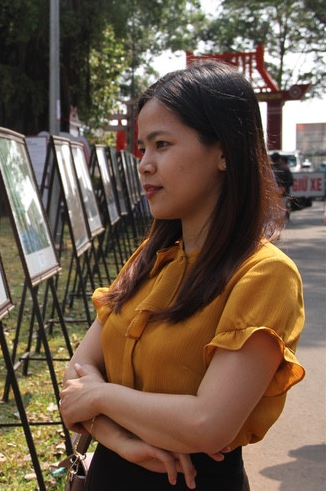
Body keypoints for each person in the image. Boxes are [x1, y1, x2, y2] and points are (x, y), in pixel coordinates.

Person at [59, 62, 305, 490]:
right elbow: (75, 377)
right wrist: (119, 440)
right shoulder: (152, 257)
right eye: (142, 148)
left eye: (162, 145)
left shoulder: (265, 275)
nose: (145, 165)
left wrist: (99, 396)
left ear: (224, 151)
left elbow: (209, 424)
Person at [270, 152, 293, 219]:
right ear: (280, 159)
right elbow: (291, 181)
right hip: (283, 194)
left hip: (271, 196)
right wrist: (283, 187)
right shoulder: (285, 169)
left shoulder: (268, 169)